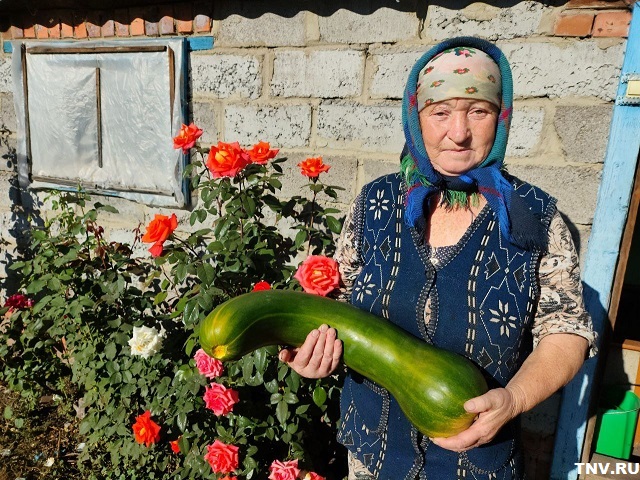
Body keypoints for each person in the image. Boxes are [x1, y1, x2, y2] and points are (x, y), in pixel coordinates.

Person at [278, 36, 597, 480]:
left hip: (476, 465)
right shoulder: (375, 202)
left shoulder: (534, 217)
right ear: (416, 117)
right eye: (440, 112)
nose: (459, 132)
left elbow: (566, 332)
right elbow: (339, 303)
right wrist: (313, 354)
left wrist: (514, 400)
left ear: (502, 118)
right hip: (371, 456)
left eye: (478, 112)